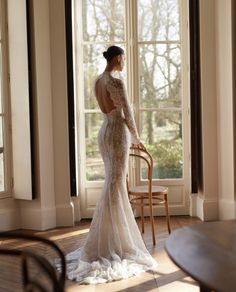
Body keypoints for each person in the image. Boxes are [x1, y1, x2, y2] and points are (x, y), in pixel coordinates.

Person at [64, 45, 158, 284]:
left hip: (104, 131)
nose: (124, 61)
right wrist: (137, 140)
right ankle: (114, 241)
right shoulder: (116, 83)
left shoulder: (97, 81)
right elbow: (127, 113)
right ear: (117, 59)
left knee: (112, 183)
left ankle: (107, 237)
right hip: (117, 133)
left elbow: (109, 110)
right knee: (116, 185)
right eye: (123, 58)